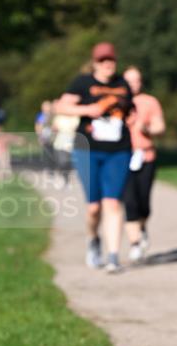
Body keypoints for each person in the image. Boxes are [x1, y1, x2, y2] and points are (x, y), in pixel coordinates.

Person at [54, 42, 133, 274]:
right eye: (102, 60)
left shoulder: (122, 83)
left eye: (111, 60)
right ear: (95, 62)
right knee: (94, 208)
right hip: (88, 149)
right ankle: (92, 239)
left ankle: (113, 256)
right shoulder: (83, 83)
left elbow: (131, 109)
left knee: (113, 202)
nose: (107, 64)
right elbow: (61, 107)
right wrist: (88, 111)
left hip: (119, 149)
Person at [123, 66, 166, 263]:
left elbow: (160, 126)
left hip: (145, 157)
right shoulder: (116, 102)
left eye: (136, 80)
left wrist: (147, 128)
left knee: (143, 203)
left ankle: (142, 228)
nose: (133, 84)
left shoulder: (150, 102)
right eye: (129, 80)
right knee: (129, 201)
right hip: (121, 158)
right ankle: (134, 243)